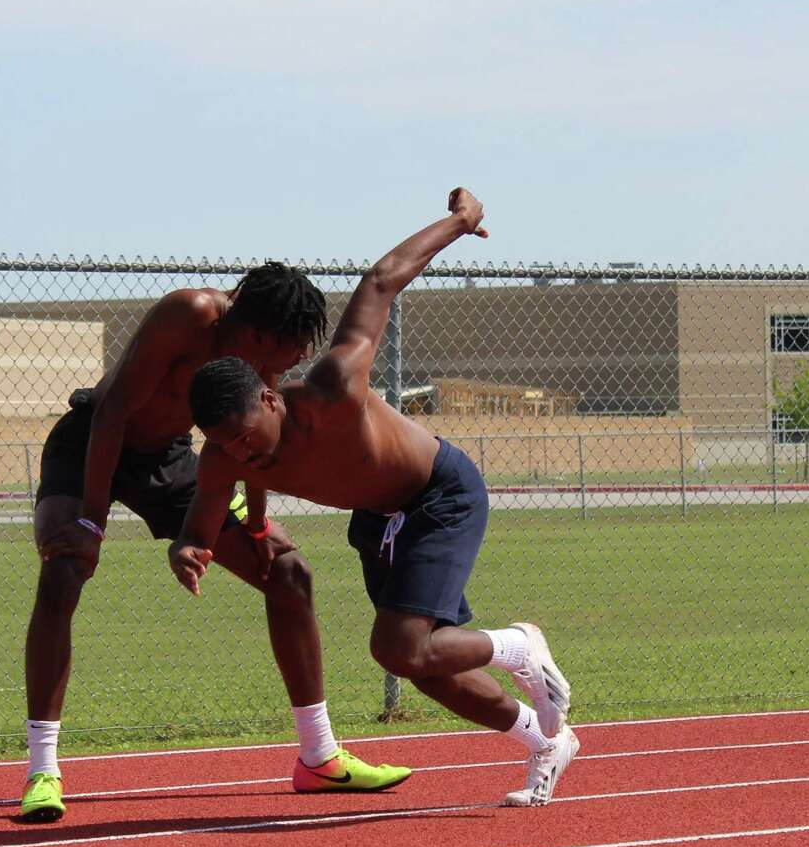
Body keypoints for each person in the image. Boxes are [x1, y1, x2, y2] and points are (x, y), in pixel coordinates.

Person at [171, 189, 578, 808]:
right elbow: (199, 527)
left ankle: (520, 645)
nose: (244, 454)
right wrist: (188, 550)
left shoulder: (334, 389)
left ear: (272, 401)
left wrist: (460, 222)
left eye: (249, 438)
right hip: (379, 518)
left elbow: (382, 280)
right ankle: (546, 740)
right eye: (227, 445)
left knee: (398, 647)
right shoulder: (226, 455)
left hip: (438, 493)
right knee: (425, 669)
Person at [24, 265, 413, 823]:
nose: (299, 359)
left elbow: (253, 448)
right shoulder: (190, 313)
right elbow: (113, 411)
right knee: (64, 568)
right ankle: (42, 770)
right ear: (257, 334)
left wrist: (258, 524)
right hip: (92, 443)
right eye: (292, 348)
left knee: (289, 573)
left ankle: (320, 757)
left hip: (168, 460)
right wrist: (90, 523)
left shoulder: (259, 364)